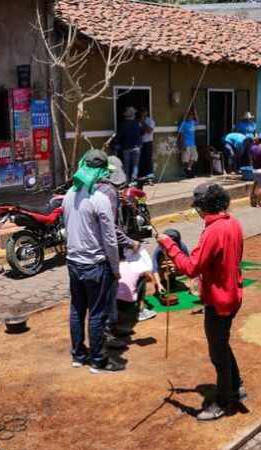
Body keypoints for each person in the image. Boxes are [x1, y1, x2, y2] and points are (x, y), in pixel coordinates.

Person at [156, 183, 245, 420]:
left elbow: (191, 267)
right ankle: (237, 386)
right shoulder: (232, 223)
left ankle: (223, 402)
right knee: (222, 344)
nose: (197, 212)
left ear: (204, 207)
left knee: (218, 353)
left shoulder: (213, 231)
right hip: (233, 295)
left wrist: (169, 245)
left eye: (198, 208)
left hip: (220, 300)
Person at [63, 150, 124, 373]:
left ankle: (78, 355)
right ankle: (98, 361)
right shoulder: (101, 200)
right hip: (95, 265)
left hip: (73, 262)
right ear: (101, 173)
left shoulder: (69, 195)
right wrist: (116, 268)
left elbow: (68, 228)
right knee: (97, 314)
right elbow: (110, 239)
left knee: (77, 310)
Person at [109, 246, 161, 343]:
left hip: (113, 298)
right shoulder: (137, 266)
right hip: (129, 301)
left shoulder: (113, 265)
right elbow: (149, 278)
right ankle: (139, 310)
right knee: (142, 280)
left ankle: (115, 326)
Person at [113, 106, 142, 182]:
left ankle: (127, 181)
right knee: (135, 166)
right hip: (136, 147)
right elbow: (140, 134)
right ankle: (134, 180)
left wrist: (115, 143)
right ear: (133, 115)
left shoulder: (123, 125)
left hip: (126, 147)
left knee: (126, 166)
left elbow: (119, 136)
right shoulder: (137, 124)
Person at [178, 108, 199, 178]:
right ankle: (188, 171)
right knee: (186, 159)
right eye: (189, 116)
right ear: (186, 116)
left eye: (192, 116)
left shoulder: (193, 122)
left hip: (193, 143)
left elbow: (198, 121)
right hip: (186, 143)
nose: (191, 117)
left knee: (194, 157)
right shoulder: (183, 124)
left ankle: (188, 169)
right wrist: (182, 144)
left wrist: (195, 113)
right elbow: (181, 135)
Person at [139, 108, 156, 180]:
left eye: (144, 112)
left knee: (148, 159)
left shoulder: (150, 121)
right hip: (140, 142)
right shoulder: (138, 121)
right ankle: (142, 176)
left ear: (146, 112)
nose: (142, 113)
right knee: (141, 160)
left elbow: (149, 130)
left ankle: (150, 177)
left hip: (148, 142)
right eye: (141, 112)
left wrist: (143, 122)